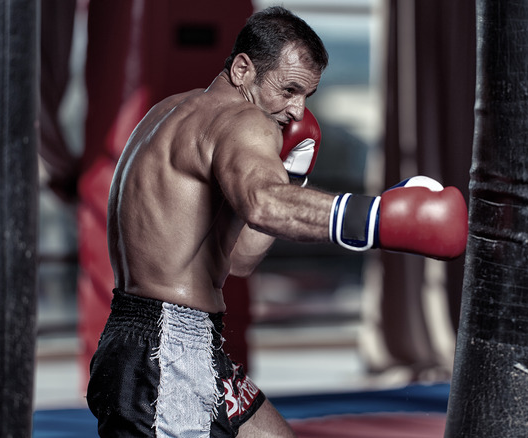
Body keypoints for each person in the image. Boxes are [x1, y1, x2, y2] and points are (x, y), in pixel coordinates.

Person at [86, 6, 468, 437]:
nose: (296, 111)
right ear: (243, 69)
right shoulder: (241, 120)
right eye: (288, 90)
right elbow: (264, 204)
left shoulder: (168, 114)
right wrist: (380, 218)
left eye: (306, 96)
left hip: (155, 340)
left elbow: (242, 257)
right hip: (167, 351)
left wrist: (295, 177)